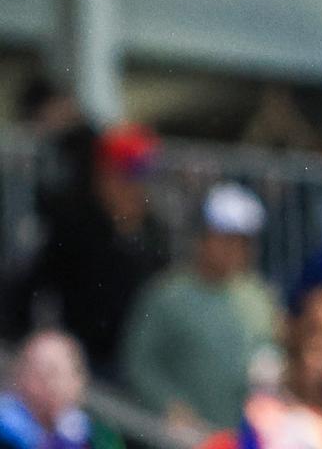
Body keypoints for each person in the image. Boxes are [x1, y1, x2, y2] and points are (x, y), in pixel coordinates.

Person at [122, 183, 279, 433]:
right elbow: (140, 362)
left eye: (242, 242)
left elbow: (270, 352)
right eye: (225, 239)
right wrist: (168, 404)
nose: (234, 249)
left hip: (241, 434)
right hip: (181, 437)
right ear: (203, 237)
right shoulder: (167, 294)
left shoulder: (259, 297)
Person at [19, 124, 169, 377]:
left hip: (136, 362)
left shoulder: (154, 231)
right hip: (83, 359)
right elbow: (35, 287)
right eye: (125, 176)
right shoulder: (73, 225)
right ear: (103, 176)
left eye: (141, 177)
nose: (135, 187)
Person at [0, 331, 123, 449]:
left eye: (55, 373)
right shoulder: (6, 426)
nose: (51, 384)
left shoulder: (92, 435)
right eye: (42, 372)